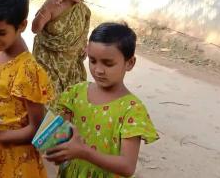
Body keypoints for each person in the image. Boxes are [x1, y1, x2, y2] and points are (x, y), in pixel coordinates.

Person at [44, 23, 158, 178]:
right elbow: (60, 136)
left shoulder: (132, 110)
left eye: (108, 63)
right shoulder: (76, 93)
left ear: (129, 63)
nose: (98, 70)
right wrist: (53, 146)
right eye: (92, 61)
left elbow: (127, 166)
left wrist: (84, 152)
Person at [0, 0, 54, 178]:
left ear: (22, 26)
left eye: (1, 33)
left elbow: (36, 128)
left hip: (13, 160)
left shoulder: (27, 71)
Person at [32, 0, 91, 110]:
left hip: (70, 65)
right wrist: (47, 7)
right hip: (48, 62)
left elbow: (83, 34)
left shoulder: (83, 10)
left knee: (69, 103)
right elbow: (35, 29)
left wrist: (84, 46)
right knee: (49, 101)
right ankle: (47, 129)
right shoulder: (53, 5)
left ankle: (66, 130)